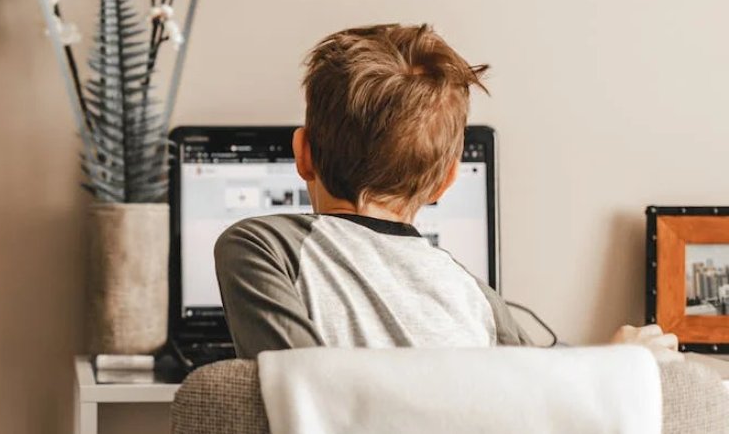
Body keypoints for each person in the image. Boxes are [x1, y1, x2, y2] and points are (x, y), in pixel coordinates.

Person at [215, 24, 526, 356]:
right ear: (446, 180)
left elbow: (295, 383)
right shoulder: (480, 300)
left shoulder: (263, 246)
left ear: (303, 153)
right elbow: (542, 391)